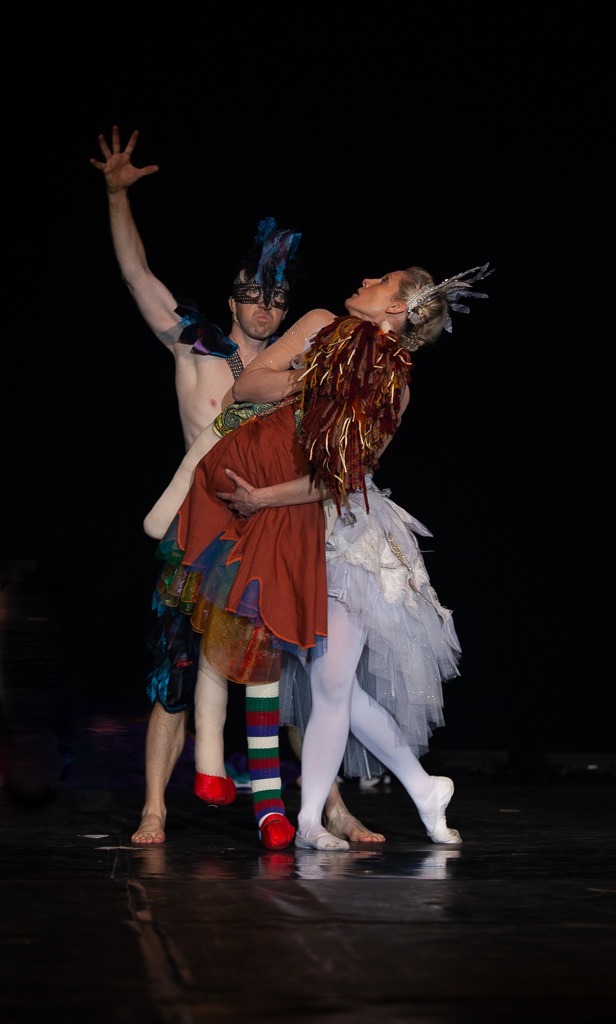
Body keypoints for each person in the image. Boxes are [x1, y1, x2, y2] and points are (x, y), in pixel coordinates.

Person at [90, 126, 383, 847]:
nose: (263, 309)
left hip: (268, 530)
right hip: (198, 528)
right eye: (252, 295)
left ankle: (330, 808)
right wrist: (116, 196)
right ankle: (154, 809)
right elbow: (137, 276)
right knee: (175, 673)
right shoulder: (195, 343)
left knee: (282, 678)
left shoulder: (296, 367)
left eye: (275, 298)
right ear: (231, 297)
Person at [148, 263, 492, 850]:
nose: (365, 279)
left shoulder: (396, 387)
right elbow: (247, 388)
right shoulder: (318, 325)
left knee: (331, 681)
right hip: (285, 526)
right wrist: (315, 377)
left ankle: (318, 816)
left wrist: (264, 498)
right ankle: (411, 788)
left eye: (381, 281)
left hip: (336, 529)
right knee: (326, 682)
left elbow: (342, 476)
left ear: (397, 309)